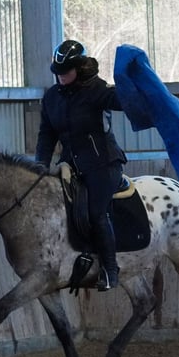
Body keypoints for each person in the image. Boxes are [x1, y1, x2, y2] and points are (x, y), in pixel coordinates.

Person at [35, 40, 127, 291]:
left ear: (79, 69)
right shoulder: (52, 98)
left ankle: (110, 268)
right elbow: (47, 135)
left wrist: (132, 84)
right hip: (73, 166)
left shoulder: (97, 90)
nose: (61, 77)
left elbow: (121, 101)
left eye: (66, 73)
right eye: (58, 73)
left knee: (97, 213)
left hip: (104, 164)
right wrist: (41, 164)